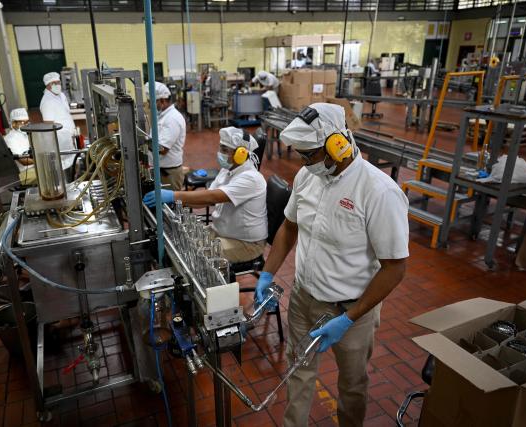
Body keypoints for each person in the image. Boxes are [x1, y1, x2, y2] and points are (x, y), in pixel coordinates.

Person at [255, 103, 409, 427]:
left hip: (351, 311)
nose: (302, 162)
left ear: (336, 145)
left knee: (352, 385)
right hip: (303, 298)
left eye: (308, 154)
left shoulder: (379, 192)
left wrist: (349, 319)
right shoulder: (307, 177)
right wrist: (267, 272)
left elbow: (395, 268)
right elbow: (289, 227)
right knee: (298, 370)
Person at [143, 127, 267, 263]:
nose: (220, 153)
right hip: (221, 232)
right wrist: (175, 202)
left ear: (241, 154)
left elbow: (214, 197)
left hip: (245, 244)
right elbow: (207, 200)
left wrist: (174, 195)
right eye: (220, 148)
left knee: (188, 255)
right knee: (179, 242)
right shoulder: (228, 169)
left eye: (225, 150)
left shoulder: (251, 178)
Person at [144, 81, 186, 191]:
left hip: (169, 174)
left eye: (151, 102)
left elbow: (162, 149)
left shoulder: (172, 119)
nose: (149, 105)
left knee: (170, 206)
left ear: (162, 101)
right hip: (161, 170)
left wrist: (141, 141)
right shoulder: (162, 116)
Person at [39, 72, 77, 172]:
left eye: (58, 82)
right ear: (47, 85)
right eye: (53, 83)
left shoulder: (61, 95)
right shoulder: (47, 101)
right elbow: (49, 125)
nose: (57, 85)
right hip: (60, 141)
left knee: (73, 162)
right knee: (63, 166)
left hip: (69, 137)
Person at [3, 108, 35, 184]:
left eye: (27, 122)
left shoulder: (25, 135)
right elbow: (24, 161)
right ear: (13, 123)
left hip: (33, 168)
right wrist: (41, 161)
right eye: (23, 122)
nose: (27, 125)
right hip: (23, 173)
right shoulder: (10, 139)